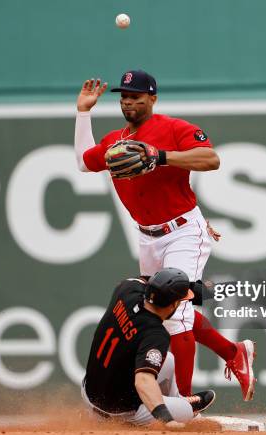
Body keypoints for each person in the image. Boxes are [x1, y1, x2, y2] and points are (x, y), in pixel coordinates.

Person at [74, 69, 256, 400]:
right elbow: (85, 163)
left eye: (136, 97)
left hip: (183, 232)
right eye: (124, 97)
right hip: (147, 236)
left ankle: (183, 403)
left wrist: (161, 157)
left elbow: (211, 158)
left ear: (152, 99)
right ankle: (233, 353)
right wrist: (83, 112)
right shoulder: (116, 141)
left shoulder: (174, 129)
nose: (128, 102)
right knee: (159, 307)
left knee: (177, 316)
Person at [82, 268, 216, 426]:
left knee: (169, 360)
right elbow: (143, 380)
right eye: (180, 301)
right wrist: (166, 419)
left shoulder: (127, 289)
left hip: (89, 393)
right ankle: (172, 410)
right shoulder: (155, 334)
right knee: (186, 412)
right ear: (173, 305)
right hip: (119, 412)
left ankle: (177, 399)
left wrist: (185, 288)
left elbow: (143, 280)